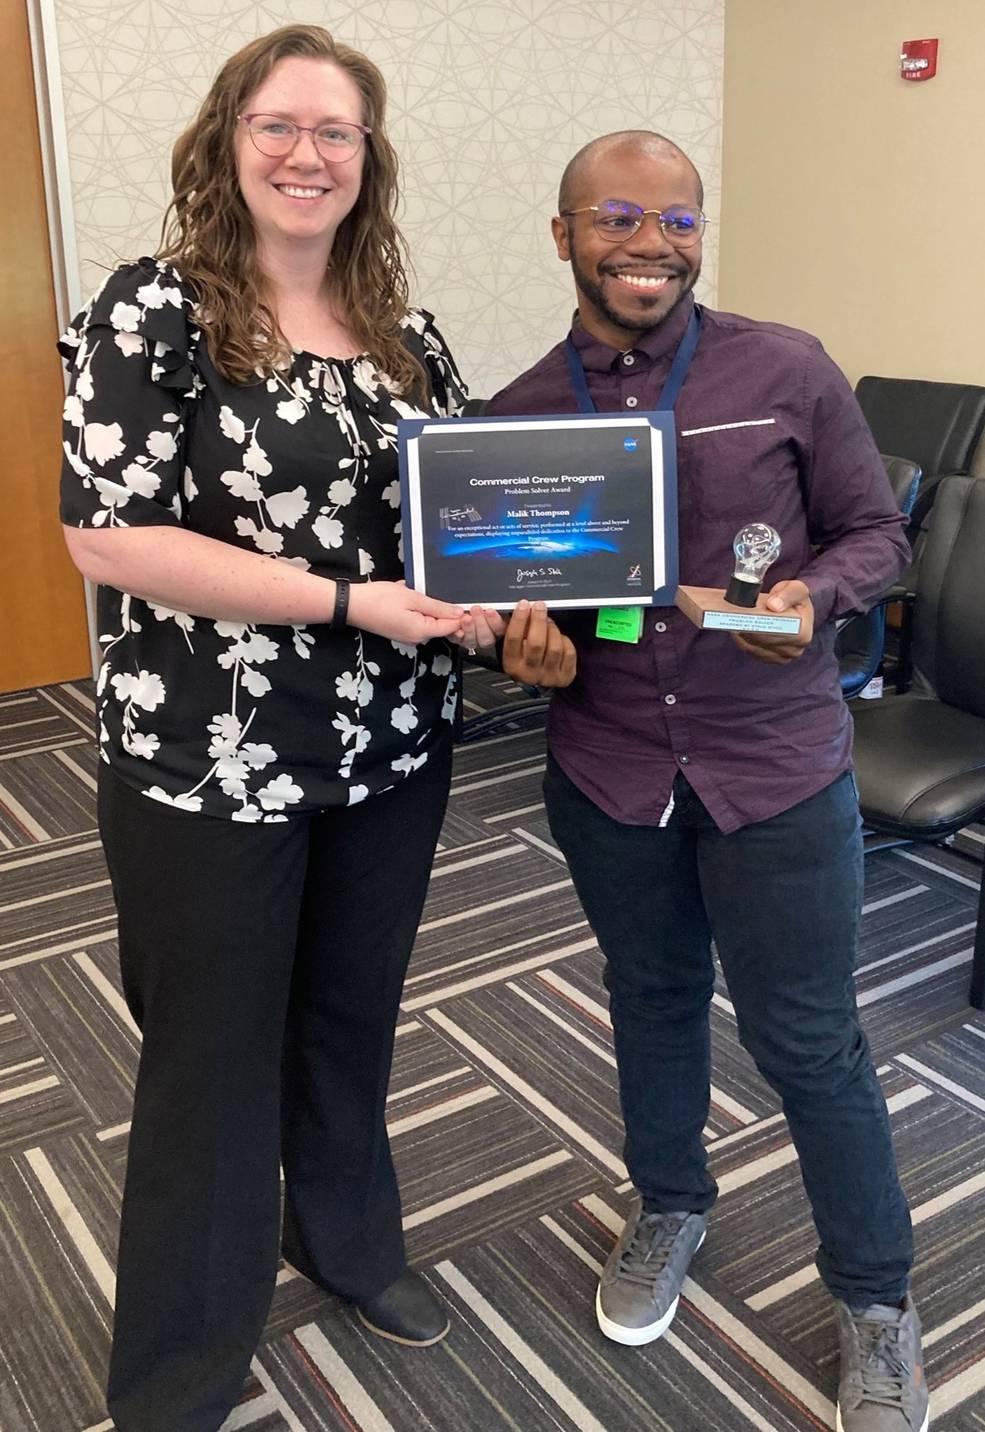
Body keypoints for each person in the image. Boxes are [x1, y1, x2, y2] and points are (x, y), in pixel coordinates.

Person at [59, 25, 473, 1432]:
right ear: (227, 140)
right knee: (210, 1059)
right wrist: (348, 598)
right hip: (205, 760)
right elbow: (106, 539)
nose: (307, 154)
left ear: (370, 158)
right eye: (279, 126)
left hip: (387, 750)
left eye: (337, 133)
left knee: (349, 1023)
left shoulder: (405, 334)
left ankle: (348, 1245)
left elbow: (469, 522)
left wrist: (512, 598)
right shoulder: (153, 310)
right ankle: (180, 1363)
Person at [482, 132, 928, 1432]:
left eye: (677, 220)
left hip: (775, 768)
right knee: (652, 1001)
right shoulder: (517, 419)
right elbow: (531, 606)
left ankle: (877, 1305)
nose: (650, 242)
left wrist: (819, 596)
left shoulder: (784, 368)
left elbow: (878, 535)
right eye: (616, 216)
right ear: (561, 235)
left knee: (810, 1041)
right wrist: (529, 646)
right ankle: (667, 1207)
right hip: (610, 768)